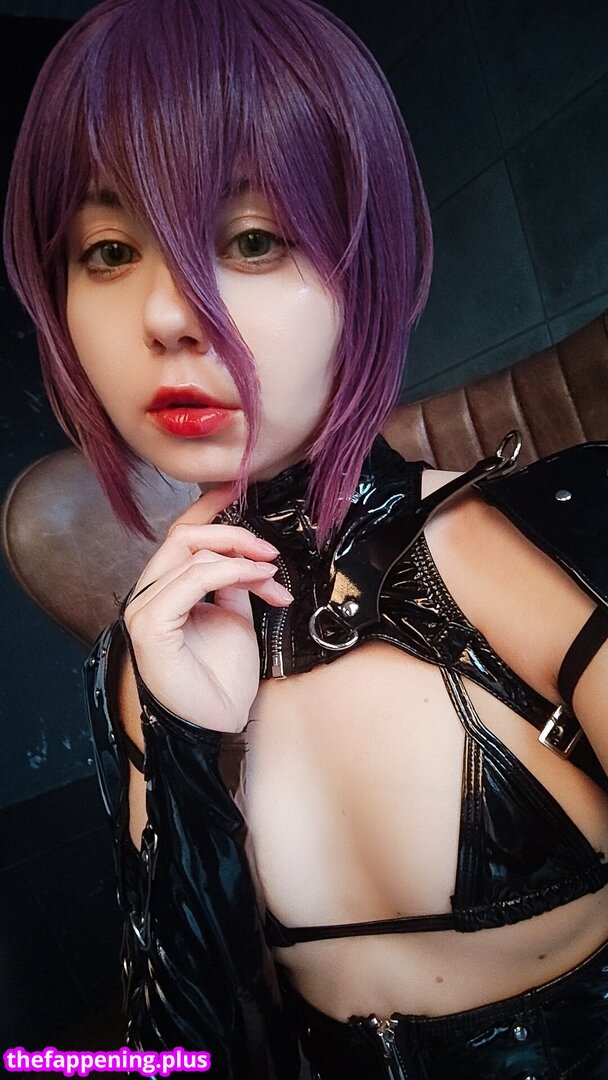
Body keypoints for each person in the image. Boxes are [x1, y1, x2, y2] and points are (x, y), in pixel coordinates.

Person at [4, 0, 608, 1076]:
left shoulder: (526, 544)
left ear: (362, 265)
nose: (168, 315)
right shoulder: (143, 662)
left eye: (250, 239)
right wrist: (185, 748)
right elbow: (179, 1056)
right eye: (109, 250)